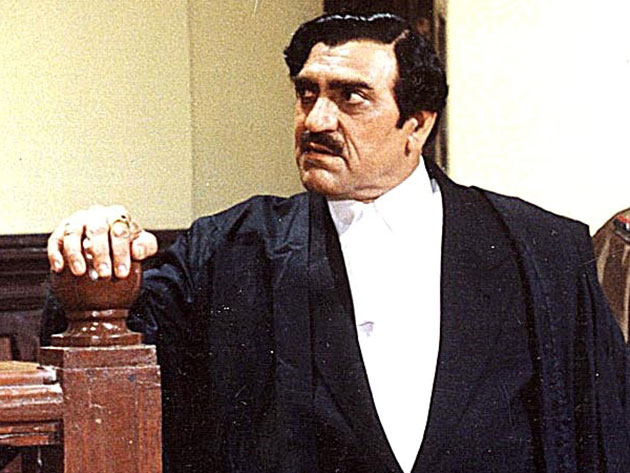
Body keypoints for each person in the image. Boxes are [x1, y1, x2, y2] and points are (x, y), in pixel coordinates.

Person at [44, 13, 630, 473]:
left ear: (417, 123)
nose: (317, 121)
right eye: (307, 95)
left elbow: (606, 436)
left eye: (351, 97)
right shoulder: (229, 249)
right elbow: (109, 352)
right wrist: (92, 256)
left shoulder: (539, 250)